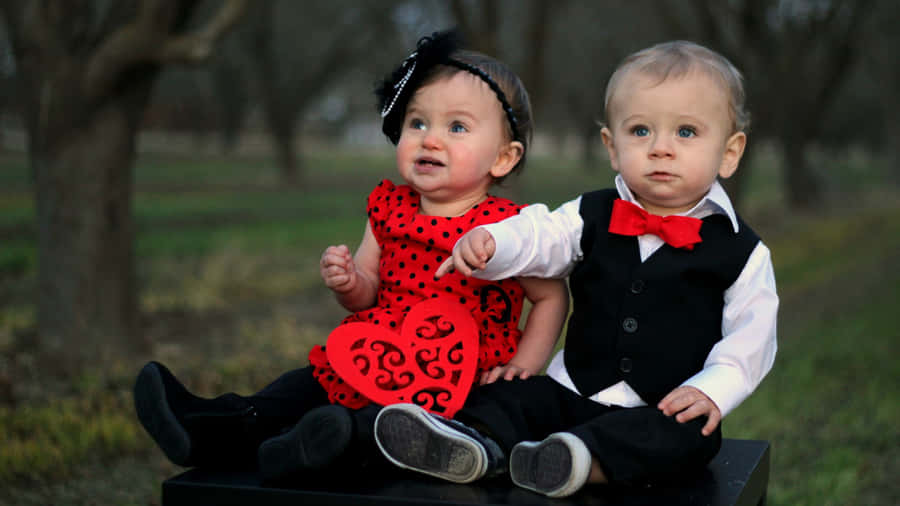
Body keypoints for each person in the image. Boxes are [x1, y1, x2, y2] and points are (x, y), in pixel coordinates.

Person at [133, 30, 568, 483]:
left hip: (455, 376)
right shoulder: (388, 208)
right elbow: (367, 292)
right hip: (375, 351)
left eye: (456, 127)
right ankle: (213, 426)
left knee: (389, 426)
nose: (430, 140)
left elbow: (551, 296)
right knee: (304, 385)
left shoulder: (508, 230)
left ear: (503, 157)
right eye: (417, 123)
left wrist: (525, 363)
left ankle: (325, 448)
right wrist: (348, 280)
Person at [374, 40, 778, 498]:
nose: (661, 149)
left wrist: (713, 389)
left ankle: (575, 463)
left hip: (659, 406)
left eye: (686, 133)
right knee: (507, 394)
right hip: (570, 392)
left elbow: (754, 335)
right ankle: (469, 446)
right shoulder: (591, 213)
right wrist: (494, 242)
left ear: (730, 152)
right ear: (611, 146)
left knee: (686, 439)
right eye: (641, 131)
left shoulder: (743, 251)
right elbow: (540, 236)